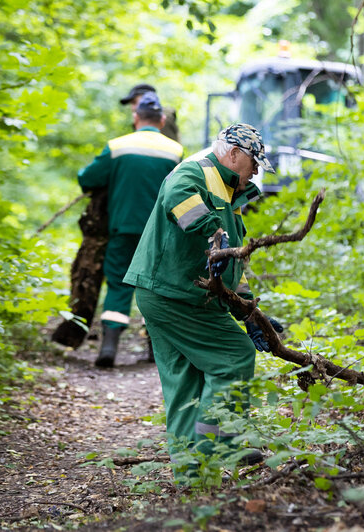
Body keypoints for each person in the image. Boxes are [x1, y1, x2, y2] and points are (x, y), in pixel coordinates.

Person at [124, 123, 285, 472]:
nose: (256, 170)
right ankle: (219, 447)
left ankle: (191, 473)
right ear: (233, 153)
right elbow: (177, 198)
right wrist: (213, 231)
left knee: (185, 382)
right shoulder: (194, 172)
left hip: (169, 292)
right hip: (173, 293)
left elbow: (232, 267)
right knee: (234, 357)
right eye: (253, 162)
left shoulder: (229, 193)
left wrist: (249, 314)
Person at [77, 92, 184, 368]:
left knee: (118, 282)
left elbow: (87, 178)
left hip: (122, 228)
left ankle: (109, 346)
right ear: (161, 120)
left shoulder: (117, 147)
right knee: (156, 286)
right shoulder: (175, 151)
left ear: (136, 118)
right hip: (159, 232)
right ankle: (154, 350)